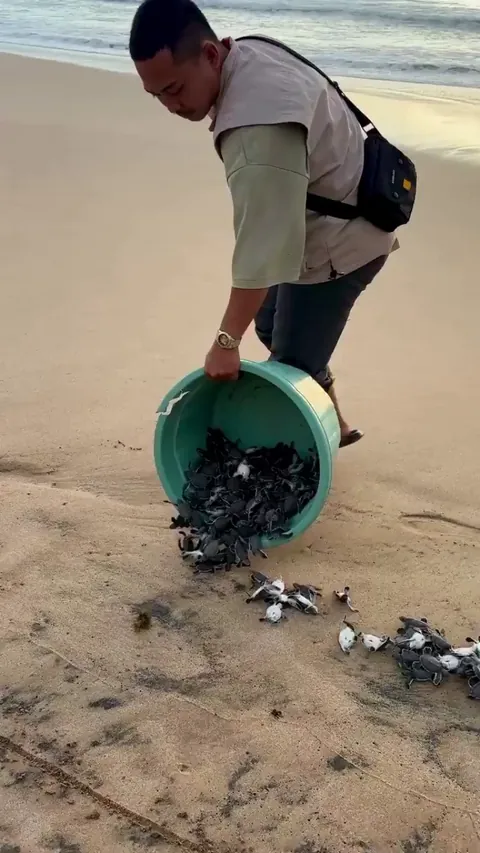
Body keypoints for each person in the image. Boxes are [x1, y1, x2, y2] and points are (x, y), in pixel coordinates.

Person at [129, 0, 398, 447]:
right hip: (341, 203)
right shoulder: (247, 53)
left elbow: (263, 246)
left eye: (175, 89)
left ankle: (314, 450)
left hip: (345, 242)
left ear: (212, 54)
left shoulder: (257, 129)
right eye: (157, 95)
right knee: (271, 321)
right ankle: (334, 413)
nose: (169, 106)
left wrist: (225, 341)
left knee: (290, 365)